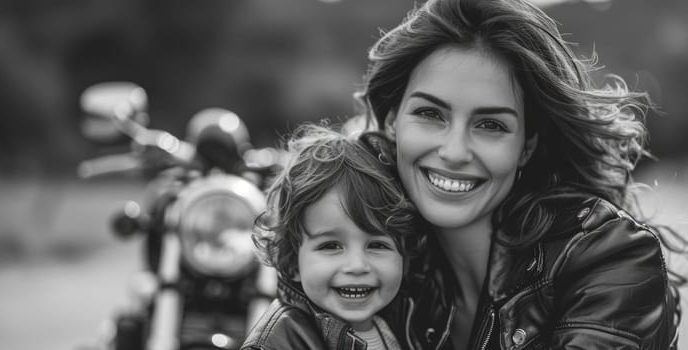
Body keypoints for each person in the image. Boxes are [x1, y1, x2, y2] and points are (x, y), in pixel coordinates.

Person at [354, 0, 682, 349]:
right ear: (392, 122)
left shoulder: (610, 259)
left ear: (527, 145)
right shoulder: (364, 259)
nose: (454, 151)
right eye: (430, 113)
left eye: (490, 124)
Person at [242, 124, 421, 350]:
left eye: (377, 245)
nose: (356, 266)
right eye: (331, 246)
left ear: (404, 256)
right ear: (293, 260)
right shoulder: (280, 343)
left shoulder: (402, 326)